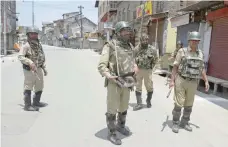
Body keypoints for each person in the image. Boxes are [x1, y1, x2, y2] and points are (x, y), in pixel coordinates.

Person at [97, 21, 138, 145]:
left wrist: (135, 66)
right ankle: (112, 133)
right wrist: (108, 75)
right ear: (118, 32)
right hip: (114, 81)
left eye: (128, 31)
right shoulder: (110, 46)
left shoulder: (130, 46)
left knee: (124, 106)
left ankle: (121, 125)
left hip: (127, 81)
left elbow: (133, 60)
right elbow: (102, 65)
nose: (127, 33)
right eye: (124, 31)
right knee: (112, 108)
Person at [169, 31, 209, 133]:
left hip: (193, 82)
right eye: (193, 40)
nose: (195, 42)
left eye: (197, 41)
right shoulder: (182, 51)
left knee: (189, 104)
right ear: (189, 41)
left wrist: (206, 81)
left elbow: (202, 68)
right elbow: (175, 66)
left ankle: (185, 122)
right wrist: (172, 80)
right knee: (179, 103)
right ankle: (175, 123)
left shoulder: (200, 53)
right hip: (181, 80)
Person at [18, 27, 48, 111]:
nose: (34, 35)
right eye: (32, 34)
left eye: (35, 34)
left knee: (39, 85)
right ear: (28, 35)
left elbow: (40, 57)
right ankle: (27, 105)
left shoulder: (38, 45)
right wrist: (30, 62)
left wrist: (44, 68)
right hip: (29, 69)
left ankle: (36, 102)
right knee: (29, 85)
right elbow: (20, 56)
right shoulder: (26, 46)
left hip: (38, 68)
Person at [133, 33, 158, 111]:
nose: (145, 41)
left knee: (149, 86)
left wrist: (151, 68)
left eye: (147, 39)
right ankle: (139, 103)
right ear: (141, 40)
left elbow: (156, 59)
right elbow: (132, 59)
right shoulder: (136, 49)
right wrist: (135, 67)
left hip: (148, 70)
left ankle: (148, 101)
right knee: (138, 86)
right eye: (143, 39)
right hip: (139, 70)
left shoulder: (152, 49)